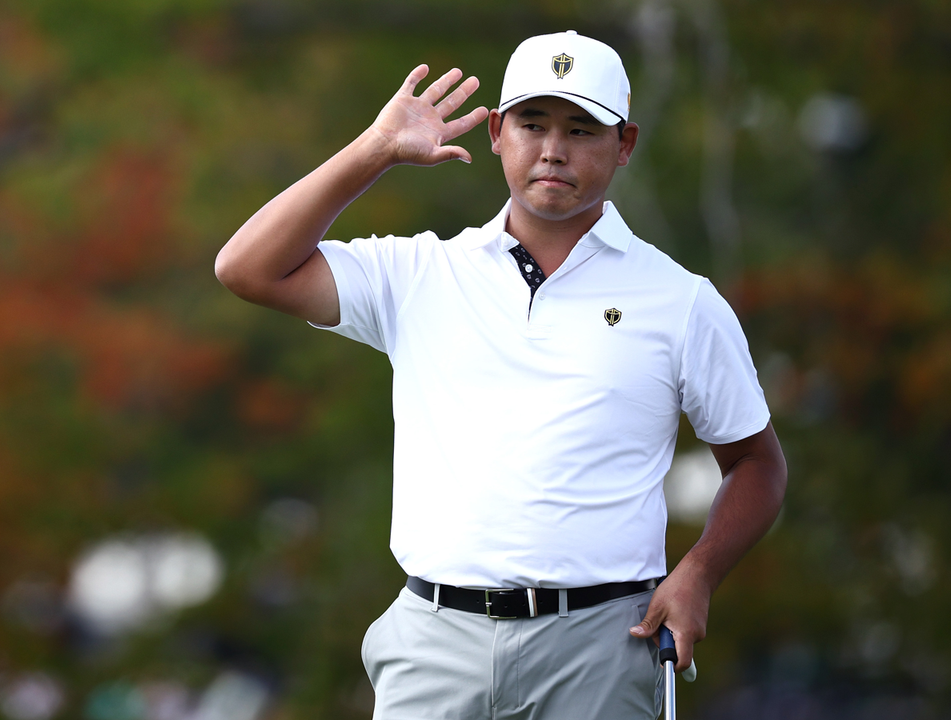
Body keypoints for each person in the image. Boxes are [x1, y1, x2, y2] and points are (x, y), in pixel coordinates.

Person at [215, 30, 787, 720]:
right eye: (532, 124)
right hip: (435, 640)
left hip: (602, 643)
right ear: (495, 131)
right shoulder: (421, 273)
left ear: (624, 144)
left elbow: (756, 464)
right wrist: (375, 151)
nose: (553, 149)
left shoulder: (681, 300)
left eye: (581, 129)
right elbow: (246, 268)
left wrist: (699, 572)